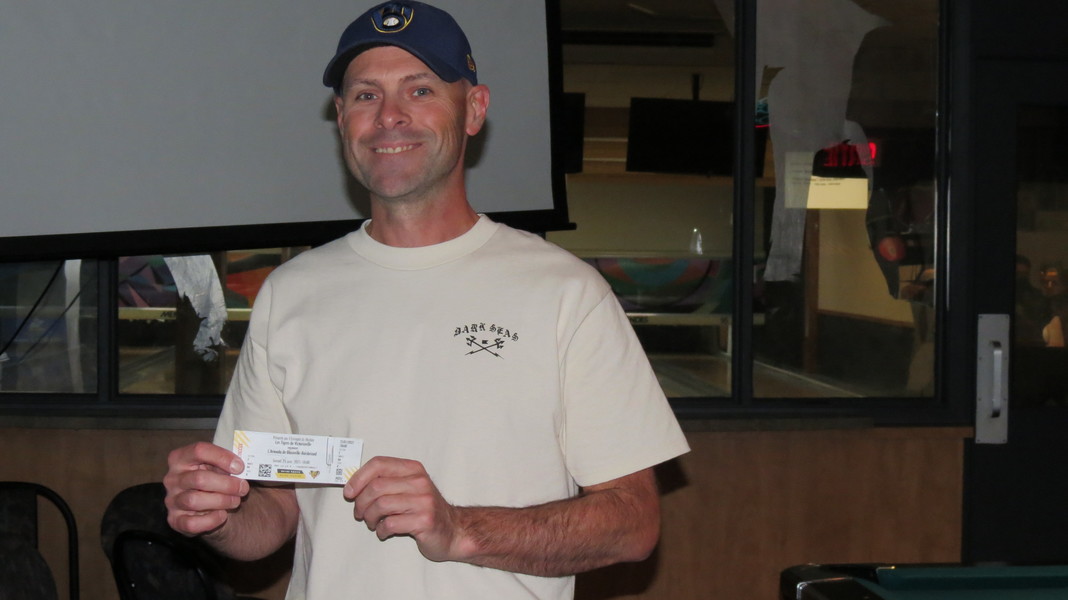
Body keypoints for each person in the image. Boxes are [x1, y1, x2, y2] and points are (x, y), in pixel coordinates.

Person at [162, 2, 690, 599]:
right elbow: (276, 514)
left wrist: (459, 528)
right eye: (366, 95)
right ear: (342, 118)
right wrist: (218, 514)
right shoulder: (291, 293)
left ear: (474, 109)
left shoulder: (565, 293)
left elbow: (632, 523)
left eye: (420, 90)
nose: (389, 116)